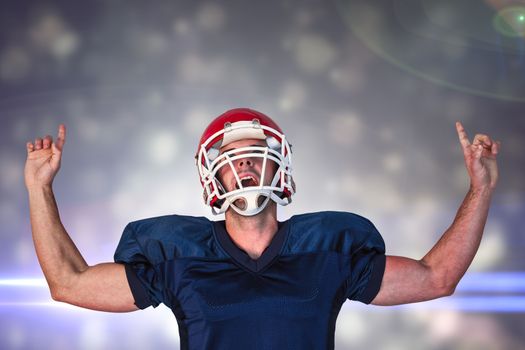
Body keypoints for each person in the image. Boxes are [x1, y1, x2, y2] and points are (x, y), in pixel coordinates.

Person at [24, 108, 500, 349]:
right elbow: (68, 284)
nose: (245, 165)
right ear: (213, 175)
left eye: (255, 154)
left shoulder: (329, 248)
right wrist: (39, 188)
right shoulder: (175, 254)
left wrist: (480, 190)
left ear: (280, 168)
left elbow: (437, 277)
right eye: (231, 159)